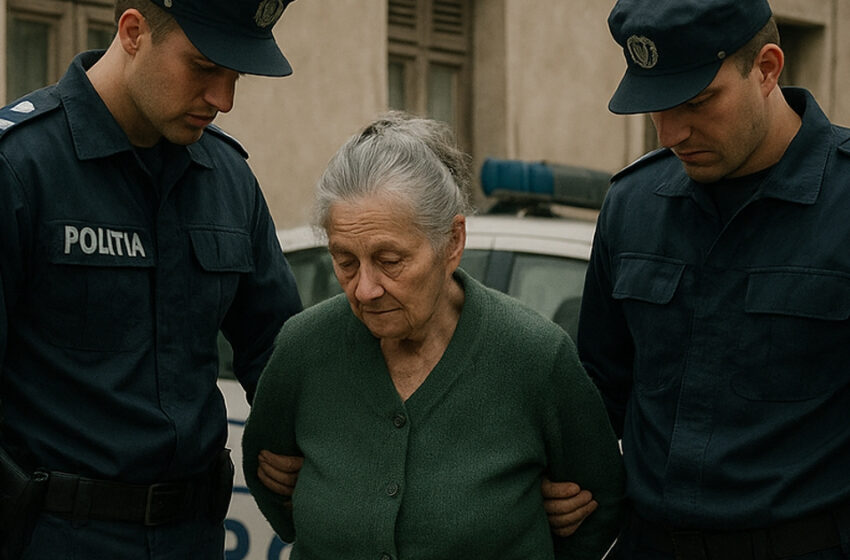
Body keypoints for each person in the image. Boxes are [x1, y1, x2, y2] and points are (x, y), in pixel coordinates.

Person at [242, 112, 625, 560]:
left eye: (390, 260)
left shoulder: (534, 356)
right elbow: (269, 479)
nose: (364, 289)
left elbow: (600, 505)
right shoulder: (304, 348)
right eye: (345, 261)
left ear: (453, 242)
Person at [0, 0, 304, 558]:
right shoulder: (21, 167)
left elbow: (279, 352)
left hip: (195, 535)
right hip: (56, 538)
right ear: (134, 32)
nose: (224, 101)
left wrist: (294, 443)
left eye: (234, 77)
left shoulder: (228, 179)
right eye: (204, 67)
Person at [575, 0, 850, 558]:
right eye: (655, 107)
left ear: (767, 68)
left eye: (698, 101)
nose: (672, 132)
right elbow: (595, 398)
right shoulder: (632, 207)